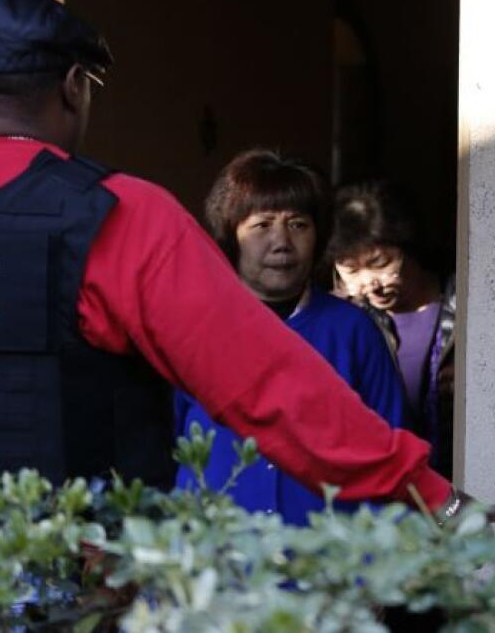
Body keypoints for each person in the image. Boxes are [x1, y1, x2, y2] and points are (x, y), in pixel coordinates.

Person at [0, 0, 495, 553]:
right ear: (71, 88)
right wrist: (436, 498)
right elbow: (272, 388)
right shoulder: (119, 218)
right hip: (76, 588)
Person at [173, 149, 407, 526]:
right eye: (262, 225)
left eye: (298, 224)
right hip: (215, 562)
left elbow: (392, 457)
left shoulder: (355, 333)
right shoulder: (190, 332)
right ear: (232, 237)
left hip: (328, 563)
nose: (281, 241)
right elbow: (159, 448)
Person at [327, 181, 457, 478]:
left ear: (408, 246)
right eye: (351, 270)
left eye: (380, 263)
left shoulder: (462, 303)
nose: (370, 283)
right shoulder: (344, 320)